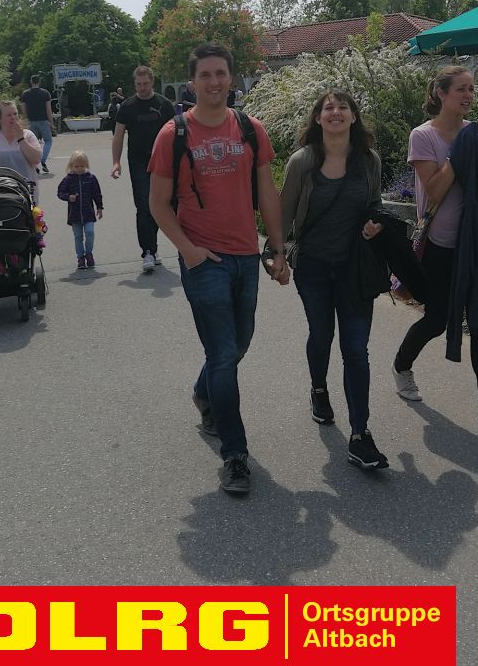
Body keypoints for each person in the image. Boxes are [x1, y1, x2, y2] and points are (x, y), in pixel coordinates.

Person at [149, 42, 289, 495]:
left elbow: (267, 192)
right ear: (192, 82)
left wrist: (278, 248)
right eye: (205, 75)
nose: (214, 82)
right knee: (225, 354)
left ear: (232, 78)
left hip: (246, 255)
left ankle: (203, 391)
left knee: (237, 345)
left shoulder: (250, 128)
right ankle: (235, 455)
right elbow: (157, 203)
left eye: (220, 73)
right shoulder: (173, 134)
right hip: (203, 259)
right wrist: (188, 250)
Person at [391, 66, 478, 445]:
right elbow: (435, 191)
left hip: (477, 245)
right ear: (440, 93)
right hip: (440, 246)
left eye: (472, 89)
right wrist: (459, 153)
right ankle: (401, 366)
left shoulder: (477, 132)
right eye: (461, 89)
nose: (469, 95)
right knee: (436, 320)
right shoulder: (423, 136)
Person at [280, 90, 388, 471]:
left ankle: (360, 435)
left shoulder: (369, 161)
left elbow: (375, 204)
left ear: (354, 117)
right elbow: (282, 215)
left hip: (354, 269)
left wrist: (375, 224)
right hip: (313, 267)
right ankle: (319, 388)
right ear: (318, 119)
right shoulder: (302, 162)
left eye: (344, 107)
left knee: (356, 349)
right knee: (322, 334)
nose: (336, 112)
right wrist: (276, 255)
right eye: (328, 108)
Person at [111, 67, 174, 272]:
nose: (142, 88)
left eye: (145, 84)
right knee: (144, 206)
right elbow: (118, 136)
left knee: (162, 204)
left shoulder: (164, 105)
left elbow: (177, 132)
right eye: (138, 84)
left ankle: (153, 247)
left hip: (162, 162)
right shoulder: (127, 107)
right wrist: (116, 162)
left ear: (152, 82)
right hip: (138, 162)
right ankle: (148, 251)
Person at [57, 150, 104, 270]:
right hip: (74, 214)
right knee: (78, 236)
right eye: (76, 166)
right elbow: (60, 192)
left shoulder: (91, 178)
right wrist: (69, 197)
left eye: (82, 166)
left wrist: (99, 207)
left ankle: (89, 253)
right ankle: (80, 257)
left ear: (86, 165)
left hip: (88, 212)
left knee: (90, 232)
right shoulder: (68, 179)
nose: (79, 169)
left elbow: (97, 193)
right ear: (71, 166)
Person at [20, 74, 54, 175]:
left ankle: (35, 166)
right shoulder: (45, 93)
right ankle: (43, 160)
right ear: (39, 81)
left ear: (31, 81)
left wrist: (24, 122)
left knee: (32, 144)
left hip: (31, 122)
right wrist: (51, 122)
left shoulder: (25, 94)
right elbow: (48, 109)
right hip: (43, 120)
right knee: (48, 141)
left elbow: (23, 110)